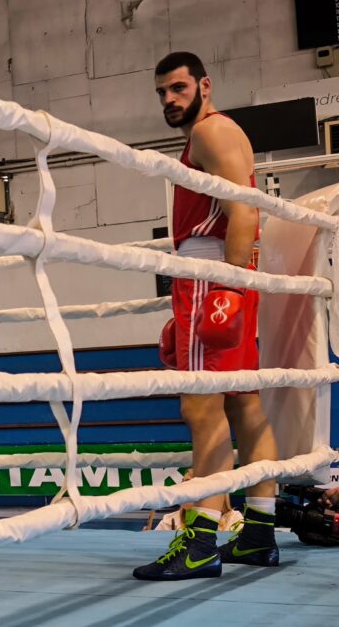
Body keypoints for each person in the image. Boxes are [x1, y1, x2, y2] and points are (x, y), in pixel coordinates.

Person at [133, 52, 278, 581]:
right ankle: (258, 534)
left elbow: (244, 211)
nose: (169, 99)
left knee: (201, 408)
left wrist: (227, 290)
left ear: (204, 85)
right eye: (162, 92)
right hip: (227, 273)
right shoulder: (224, 133)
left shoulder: (209, 133)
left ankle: (198, 545)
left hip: (211, 275)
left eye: (178, 88)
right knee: (245, 406)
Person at [143, 470, 243, 533]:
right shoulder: (170, 519)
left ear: (214, 490)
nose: (185, 488)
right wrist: (148, 539)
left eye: (192, 483)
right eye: (184, 482)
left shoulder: (234, 519)